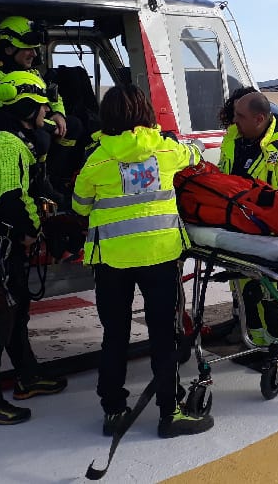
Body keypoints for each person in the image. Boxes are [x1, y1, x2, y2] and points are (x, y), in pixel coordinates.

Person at [72, 84, 213, 439]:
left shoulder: (97, 159)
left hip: (113, 263)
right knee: (164, 336)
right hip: (161, 256)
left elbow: (79, 205)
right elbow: (195, 154)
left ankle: (114, 412)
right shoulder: (166, 149)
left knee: (115, 336)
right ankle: (170, 412)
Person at [0, 71, 68, 425]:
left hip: (1, 243)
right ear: (26, 107)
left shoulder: (15, 139)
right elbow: (10, 197)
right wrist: (28, 230)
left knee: (16, 314)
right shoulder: (7, 144)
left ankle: (28, 377)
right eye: (42, 107)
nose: (46, 114)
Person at [218, 90, 278, 352]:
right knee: (247, 294)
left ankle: (277, 349)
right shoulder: (233, 139)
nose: (234, 121)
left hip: (270, 239)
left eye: (240, 116)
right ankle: (255, 345)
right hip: (239, 234)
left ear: (259, 118)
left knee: (271, 296)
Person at [0, 15, 83, 199]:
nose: (34, 54)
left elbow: (52, 95)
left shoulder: (32, 73)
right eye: (28, 48)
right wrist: (45, 121)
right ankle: (37, 186)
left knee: (73, 125)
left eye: (34, 49)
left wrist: (58, 113)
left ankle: (54, 178)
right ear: (9, 48)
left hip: (28, 123)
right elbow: (14, 109)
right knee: (39, 134)